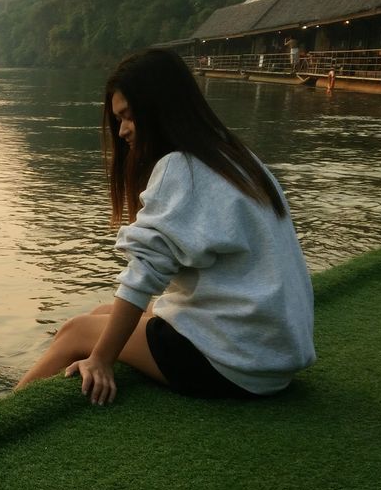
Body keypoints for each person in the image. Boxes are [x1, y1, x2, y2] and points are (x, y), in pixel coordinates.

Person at [16, 48, 316, 405]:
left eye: (128, 117)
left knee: (75, 331)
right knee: (99, 314)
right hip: (272, 356)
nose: (123, 131)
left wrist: (100, 359)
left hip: (235, 363)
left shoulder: (181, 167)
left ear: (160, 106)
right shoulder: (237, 159)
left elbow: (145, 271)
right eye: (118, 120)